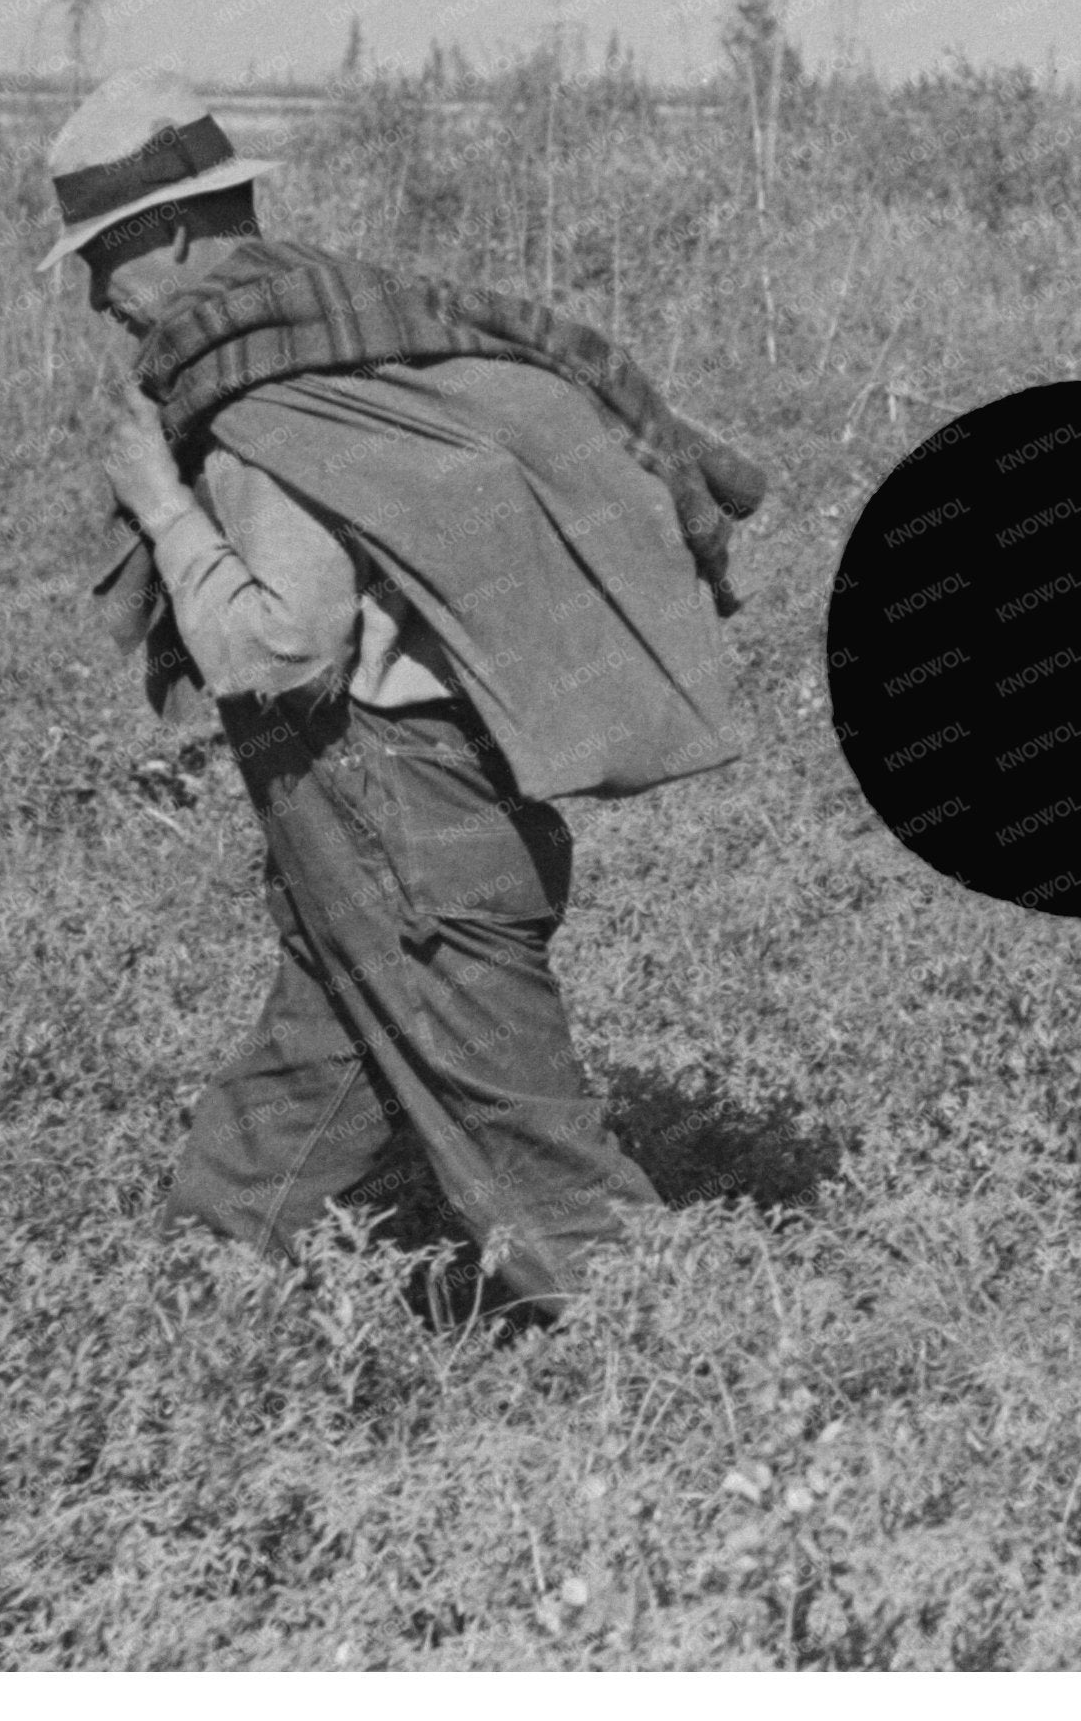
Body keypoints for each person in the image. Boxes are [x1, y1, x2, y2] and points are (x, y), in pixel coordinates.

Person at [50, 68, 770, 1323]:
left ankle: (721, 1380)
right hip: (417, 807)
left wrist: (164, 506)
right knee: (285, 1115)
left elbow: (285, 647)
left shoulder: (264, 395)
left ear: (169, 231)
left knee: (547, 1181)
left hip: (396, 810)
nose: (98, 293)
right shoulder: (357, 336)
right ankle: (173, 1332)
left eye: (103, 253)